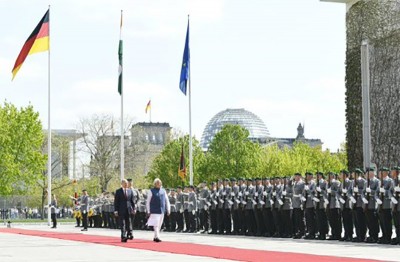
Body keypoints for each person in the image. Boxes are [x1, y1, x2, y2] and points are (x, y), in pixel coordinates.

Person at [146, 178, 170, 242]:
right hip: (154, 210)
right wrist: (148, 210)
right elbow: (148, 202)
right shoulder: (151, 191)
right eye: (157, 183)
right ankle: (158, 236)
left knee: (159, 224)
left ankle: (155, 236)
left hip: (162, 210)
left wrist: (168, 209)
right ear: (155, 184)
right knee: (156, 224)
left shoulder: (163, 191)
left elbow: (166, 200)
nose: (158, 184)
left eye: (159, 183)